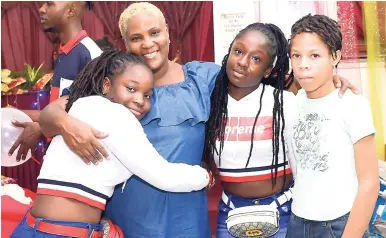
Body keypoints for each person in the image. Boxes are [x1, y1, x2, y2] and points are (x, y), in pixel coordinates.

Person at [38, 3, 356, 237]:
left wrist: (328, 83)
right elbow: (54, 114)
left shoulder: (202, 78)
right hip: (128, 217)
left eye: (154, 33)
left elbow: (261, 80)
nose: (147, 43)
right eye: (136, 38)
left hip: (185, 220)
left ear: (168, 35)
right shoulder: (113, 82)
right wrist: (66, 124)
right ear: (125, 44)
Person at [11, 50, 213, 238]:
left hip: (31, 227)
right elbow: (164, 176)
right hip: (65, 232)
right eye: (131, 88)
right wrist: (205, 176)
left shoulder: (80, 104)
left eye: (147, 95)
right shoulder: (116, 115)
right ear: (106, 85)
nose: (139, 100)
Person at [285, 14, 379, 238]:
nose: (303, 64)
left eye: (314, 55)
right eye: (296, 56)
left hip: (340, 225)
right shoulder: (291, 102)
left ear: (335, 56)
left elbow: (369, 182)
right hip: (298, 222)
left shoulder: (352, 104)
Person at [203, 22, 298, 238]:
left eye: (256, 58)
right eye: (238, 51)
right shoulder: (211, 101)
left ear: (267, 70)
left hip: (281, 211)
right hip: (231, 211)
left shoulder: (283, 102)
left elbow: (301, 164)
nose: (243, 62)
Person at [9, 1, 101, 162]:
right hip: (63, 156)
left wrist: (40, 129)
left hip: (82, 163)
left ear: (71, 10)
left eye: (49, 4)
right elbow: (62, 108)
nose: (41, 9)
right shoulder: (65, 53)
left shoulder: (90, 54)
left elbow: (96, 116)